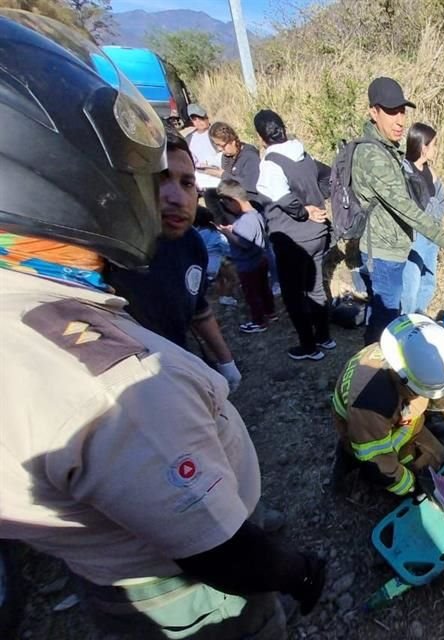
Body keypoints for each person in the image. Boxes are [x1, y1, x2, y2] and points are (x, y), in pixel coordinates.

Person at [0, 13, 324, 638]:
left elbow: (195, 306)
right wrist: (299, 572)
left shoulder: (36, 300)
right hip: (187, 588)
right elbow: (222, 555)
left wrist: (218, 362)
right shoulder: (108, 386)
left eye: (178, 182)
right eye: (144, 176)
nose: (162, 196)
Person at [108, 131, 242, 393]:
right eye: (160, 178)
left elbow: (198, 309)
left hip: (178, 370)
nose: (178, 198)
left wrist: (226, 360)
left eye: (187, 183)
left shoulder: (191, 244)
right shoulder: (104, 258)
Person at [351, 77, 444, 344]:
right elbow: (407, 208)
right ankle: (373, 371)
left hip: (393, 247)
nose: (400, 120)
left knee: (386, 315)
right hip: (383, 252)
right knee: (385, 318)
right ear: (373, 112)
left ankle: (380, 363)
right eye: (392, 111)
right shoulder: (373, 156)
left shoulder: (387, 149)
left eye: (402, 110)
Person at [330, 314, 444, 497]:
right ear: (404, 381)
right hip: (368, 431)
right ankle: (351, 456)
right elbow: (378, 463)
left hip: (398, 418)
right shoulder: (372, 402)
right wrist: (412, 487)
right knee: (415, 467)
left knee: (436, 454)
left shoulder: (415, 356)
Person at [255, 109, 335, 360]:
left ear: (261, 138)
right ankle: (325, 337)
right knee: (316, 286)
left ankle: (309, 347)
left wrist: (303, 212)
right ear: (284, 128)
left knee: (293, 294)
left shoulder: (271, 164)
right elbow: (329, 175)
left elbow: (283, 198)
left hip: (293, 238)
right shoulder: (303, 153)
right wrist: (318, 200)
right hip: (317, 235)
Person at [400, 122, 444, 314]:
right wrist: (431, 206)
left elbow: (443, 204)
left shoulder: (430, 171)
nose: (436, 149)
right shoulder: (405, 173)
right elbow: (415, 210)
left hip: (433, 234)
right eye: (434, 144)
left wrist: (431, 206)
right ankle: (404, 325)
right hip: (415, 237)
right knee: (410, 288)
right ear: (423, 147)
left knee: (428, 282)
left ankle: (419, 320)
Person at [216, 179, 276, 333]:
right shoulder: (255, 214)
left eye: (226, 204)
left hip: (248, 264)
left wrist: (227, 233)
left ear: (232, 201)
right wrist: (234, 229)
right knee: (264, 288)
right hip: (261, 260)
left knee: (252, 293)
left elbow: (244, 243)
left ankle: (258, 321)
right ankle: (271, 312)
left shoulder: (245, 220)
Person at [194, 205, 239, 307]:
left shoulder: (198, 232)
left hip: (208, 262)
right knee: (233, 279)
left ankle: (222, 296)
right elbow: (223, 244)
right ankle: (227, 296)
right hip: (219, 259)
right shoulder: (212, 232)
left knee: (220, 280)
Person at [205, 121, 262, 199]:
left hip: (251, 201)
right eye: (217, 145)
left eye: (222, 146)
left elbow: (252, 185)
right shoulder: (226, 156)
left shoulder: (250, 156)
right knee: (209, 194)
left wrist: (223, 175)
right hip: (233, 199)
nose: (219, 149)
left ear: (232, 141)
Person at [185, 103, 221, 190]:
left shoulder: (216, 132)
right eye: (194, 119)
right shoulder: (189, 139)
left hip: (218, 174)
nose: (198, 122)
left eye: (201, 118)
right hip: (201, 179)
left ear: (206, 117)